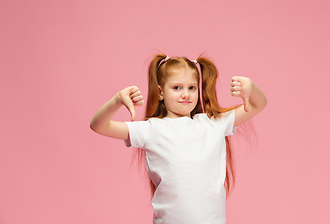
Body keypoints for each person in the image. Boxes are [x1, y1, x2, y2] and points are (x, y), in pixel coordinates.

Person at [90, 54, 267, 224]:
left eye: (192, 87)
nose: (186, 94)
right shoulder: (152, 129)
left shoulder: (214, 124)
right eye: (177, 88)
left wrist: (251, 87)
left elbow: (259, 104)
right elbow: (98, 126)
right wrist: (117, 100)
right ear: (160, 93)